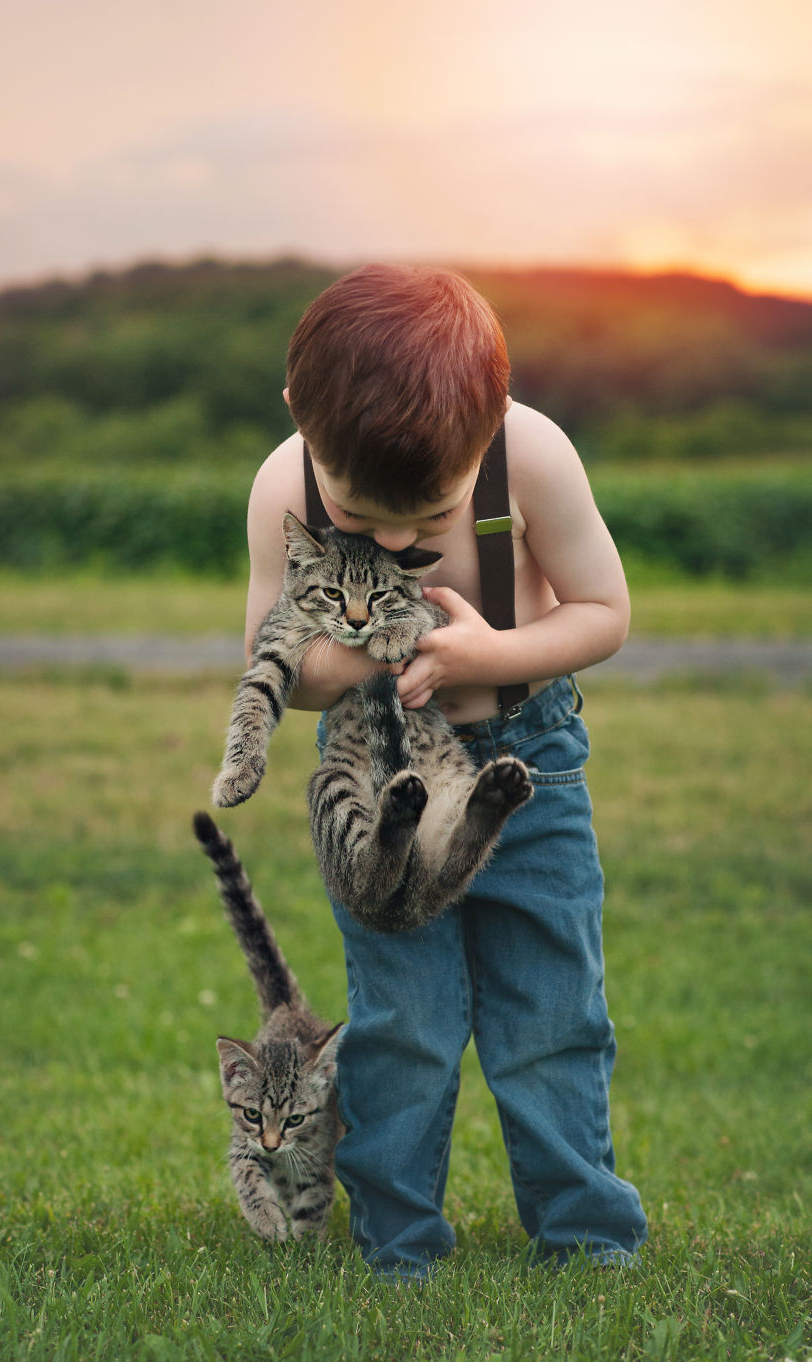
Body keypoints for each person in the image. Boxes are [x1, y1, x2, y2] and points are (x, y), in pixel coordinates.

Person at [241, 263, 647, 1280]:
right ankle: (399, 1242)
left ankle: (585, 1231)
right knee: (402, 1024)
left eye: (427, 517)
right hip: (383, 783)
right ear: (300, 418)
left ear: (490, 424)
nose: (390, 540)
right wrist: (376, 654)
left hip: (526, 763)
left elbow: (604, 613)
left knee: (552, 1010)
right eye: (359, 513)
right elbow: (274, 662)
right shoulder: (284, 484)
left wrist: (489, 655)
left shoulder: (533, 456)